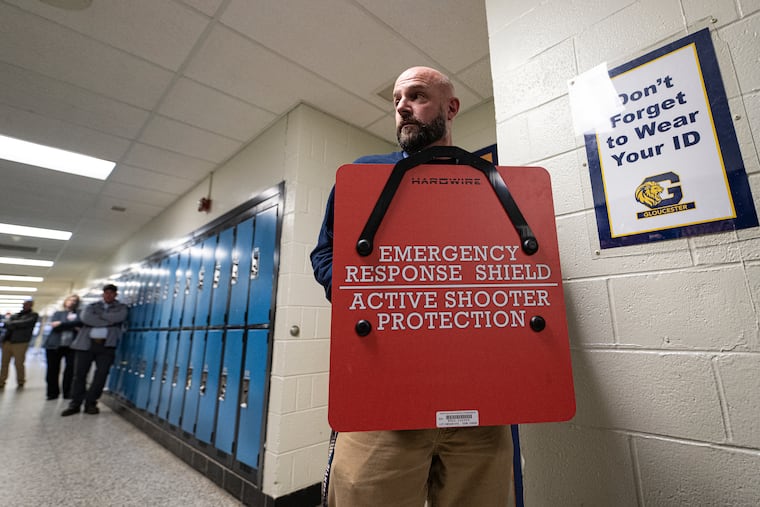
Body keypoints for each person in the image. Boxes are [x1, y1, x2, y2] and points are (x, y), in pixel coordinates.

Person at [310, 67, 513, 506]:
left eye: (417, 95)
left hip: (478, 401)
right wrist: (375, 291)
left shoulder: (488, 182)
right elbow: (324, 256)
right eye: (397, 99)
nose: (402, 106)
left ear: (451, 107)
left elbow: (516, 268)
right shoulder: (363, 177)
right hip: (384, 400)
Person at [61, 284, 127, 416]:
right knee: (79, 375)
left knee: (101, 375)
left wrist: (99, 317)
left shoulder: (121, 307)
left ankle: (91, 403)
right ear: (103, 294)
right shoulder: (91, 306)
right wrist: (108, 321)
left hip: (107, 346)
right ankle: (75, 404)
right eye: (106, 293)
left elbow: (119, 317)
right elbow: (86, 318)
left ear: (115, 295)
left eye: (111, 293)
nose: (108, 295)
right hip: (85, 345)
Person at [43, 295, 82, 400]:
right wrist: (72, 325)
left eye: (75, 301)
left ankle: (67, 393)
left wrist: (62, 323)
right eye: (70, 300)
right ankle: (52, 393)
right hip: (54, 345)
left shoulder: (80, 314)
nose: (72, 302)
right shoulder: (58, 313)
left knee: (70, 370)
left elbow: (81, 324)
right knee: (52, 370)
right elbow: (55, 327)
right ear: (65, 301)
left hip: (72, 346)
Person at [0, 300, 40, 390]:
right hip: (7, 342)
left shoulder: (33, 315)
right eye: (24, 304)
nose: (25, 306)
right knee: (4, 363)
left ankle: (20, 381)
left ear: (31, 305)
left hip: (20, 343)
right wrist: (12, 324)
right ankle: (1, 381)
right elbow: (6, 323)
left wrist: (11, 324)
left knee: (18, 363)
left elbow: (24, 323)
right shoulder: (16, 315)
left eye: (28, 304)